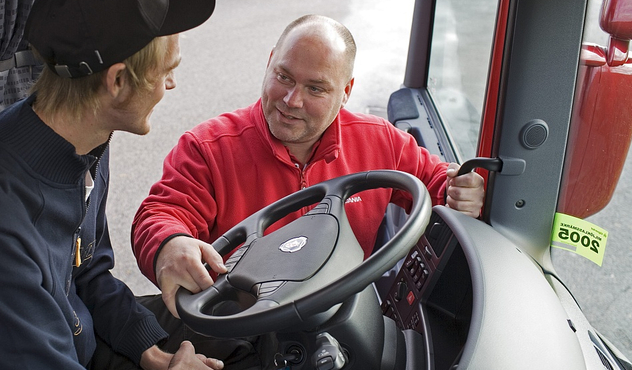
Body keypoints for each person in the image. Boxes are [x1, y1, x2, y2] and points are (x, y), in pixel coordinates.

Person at [0, 0, 224, 369]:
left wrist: (148, 349)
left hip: (74, 340)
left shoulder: (85, 142)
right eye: (166, 71)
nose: (170, 84)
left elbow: (87, 271)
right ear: (118, 81)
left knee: (240, 326)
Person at [131, 14, 486, 320]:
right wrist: (169, 243)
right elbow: (161, 213)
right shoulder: (208, 147)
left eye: (315, 89)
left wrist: (459, 191)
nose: (291, 100)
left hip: (338, 319)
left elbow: (436, 181)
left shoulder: (382, 142)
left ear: (345, 91)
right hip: (238, 323)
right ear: (270, 62)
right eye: (284, 77)